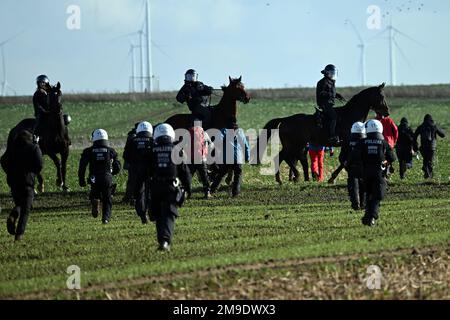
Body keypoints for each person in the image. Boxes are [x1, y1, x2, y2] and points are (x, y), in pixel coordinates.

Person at [150, 124, 192, 251]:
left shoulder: (151, 150)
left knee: (157, 215)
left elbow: (144, 171)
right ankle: (165, 241)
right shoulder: (176, 149)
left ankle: (161, 241)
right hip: (171, 187)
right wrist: (188, 188)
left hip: (155, 186)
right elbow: (184, 171)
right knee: (169, 214)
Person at [349, 120, 395, 227]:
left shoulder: (362, 142)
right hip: (379, 174)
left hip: (365, 174)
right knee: (377, 196)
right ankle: (372, 216)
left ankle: (367, 216)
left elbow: (354, 156)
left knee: (369, 194)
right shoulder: (383, 143)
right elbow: (392, 157)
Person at [1, 130, 43, 241]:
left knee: (20, 203)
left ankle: (13, 216)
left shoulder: (12, 149)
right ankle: (19, 234)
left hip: (13, 182)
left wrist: (9, 172)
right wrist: (37, 145)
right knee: (26, 209)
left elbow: (3, 160)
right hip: (27, 182)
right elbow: (39, 165)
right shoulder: (33, 148)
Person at [78, 129, 121, 224]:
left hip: (94, 178)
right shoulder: (111, 151)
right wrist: (113, 173)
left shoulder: (88, 151)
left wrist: (81, 179)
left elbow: (82, 167)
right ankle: (105, 218)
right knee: (107, 199)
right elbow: (117, 167)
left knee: (95, 191)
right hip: (107, 177)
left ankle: (95, 199)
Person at [123, 122, 154, 224]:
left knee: (138, 192)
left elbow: (126, 156)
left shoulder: (132, 140)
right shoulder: (153, 140)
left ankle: (142, 213)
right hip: (150, 170)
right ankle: (151, 211)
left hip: (135, 170)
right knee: (150, 191)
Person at [210, 120, 250, 197]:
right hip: (237, 158)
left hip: (227, 158)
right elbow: (245, 145)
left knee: (221, 174)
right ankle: (235, 192)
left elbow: (217, 141)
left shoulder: (224, 130)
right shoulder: (240, 131)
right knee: (238, 175)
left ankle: (212, 190)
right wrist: (247, 157)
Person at [316, 64, 346, 144]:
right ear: (327, 73)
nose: (333, 74)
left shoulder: (331, 82)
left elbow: (331, 92)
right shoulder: (323, 82)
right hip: (324, 104)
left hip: (329, 104)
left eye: (334, 73)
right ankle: (332, 136)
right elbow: (322, 93)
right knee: (334, 117)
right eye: (331, 73)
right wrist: (331, 95)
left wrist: (337, 95)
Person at [340, 122, 366, 211]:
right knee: (364, 186)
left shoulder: (347, 140)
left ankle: (356, 204)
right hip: (364, 167)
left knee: (353, 186)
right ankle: (363, 204)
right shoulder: (366, 140)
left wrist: (346, 166)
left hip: (352, 168)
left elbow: (342, 157)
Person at [185, 120, 212, 199]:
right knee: (204, 176)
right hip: (202, 159)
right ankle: (207, 192)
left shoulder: (188, 133)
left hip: (191, 159)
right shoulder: (204, 133)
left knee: (189, 176)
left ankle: (186, 192)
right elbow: (210, 145)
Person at [414, 114, 446, 179]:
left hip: (423, 147)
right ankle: (430, 175)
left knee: (426, 159)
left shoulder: (421, 126)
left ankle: (426, 171)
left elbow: (414, 136)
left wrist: (416, 145)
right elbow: (442, 135)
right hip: (432, 147)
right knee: (430, 161)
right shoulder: (434, 126)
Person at [122, 122, 140, 205]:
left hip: (131, 162)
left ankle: (128, 197)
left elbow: (126, 151)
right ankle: (133, 197)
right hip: (136, 162)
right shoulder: (136, 137)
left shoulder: (131, 136)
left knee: (131, 181)